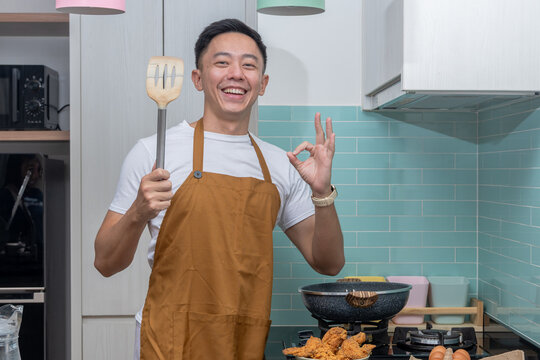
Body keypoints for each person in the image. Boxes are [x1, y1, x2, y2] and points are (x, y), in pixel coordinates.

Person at [94, 18, 344, 360]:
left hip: (242, 340)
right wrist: (139, 212)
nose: (237, 74)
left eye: (249, 65)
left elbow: (328, 263)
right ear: (198, 79)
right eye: (222, 62)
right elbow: (105, 262)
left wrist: (322, 193)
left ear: (263, 83)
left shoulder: (279, 164)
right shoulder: (154, 153)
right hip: (170, 339)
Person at [0, 154, 44, 259]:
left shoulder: (38, 194)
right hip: (15, 258)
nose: (35, 175)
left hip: (40, 255)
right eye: (30, 170)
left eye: (39, 170)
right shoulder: (5, 196)